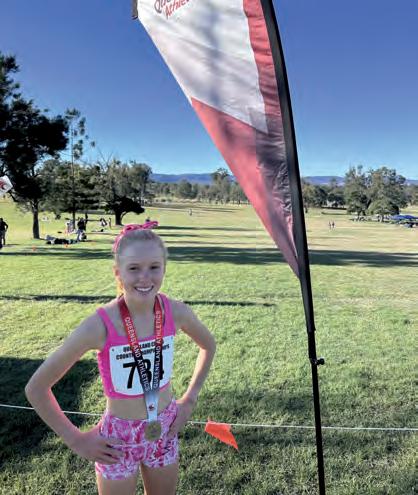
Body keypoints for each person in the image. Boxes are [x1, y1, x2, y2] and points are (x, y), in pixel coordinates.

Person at [25, 225, 216, 495]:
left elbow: (208, 345)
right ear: (118, 272)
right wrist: (76, 440)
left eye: (154, 267)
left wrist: (190, 400)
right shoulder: (99, 325)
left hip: (165, 428)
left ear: (164, 268)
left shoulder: (176, 312)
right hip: (117, 441)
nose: (145, 277)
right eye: (134, 268)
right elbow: (36, 388)